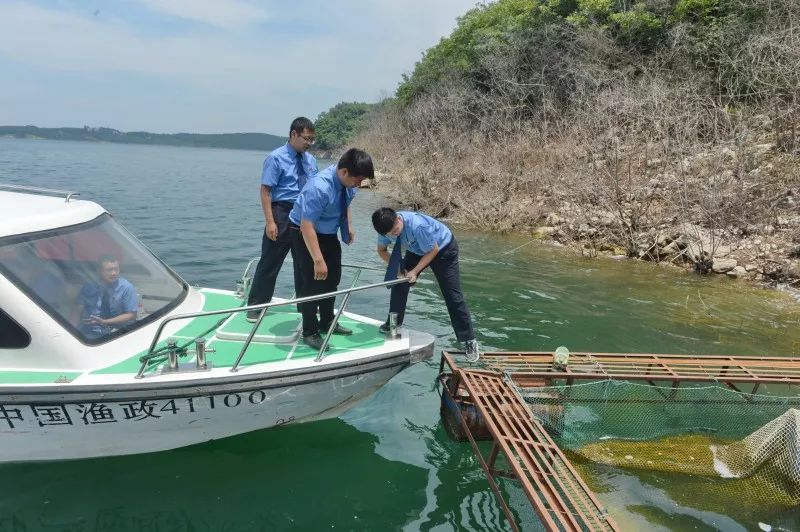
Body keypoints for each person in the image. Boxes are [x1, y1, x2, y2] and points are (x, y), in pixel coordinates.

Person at [289, 148, 374, 350]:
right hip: (304, 232)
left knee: (332, 277)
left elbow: (346, 205)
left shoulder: (349, 184)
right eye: (357, 179)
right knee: (312, 282)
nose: (359, 184)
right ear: (344, 172)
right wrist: (318, 260)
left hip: (328, 232)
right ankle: (310, 331)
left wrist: (348, 226)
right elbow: (306, 225)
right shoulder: (319, 187)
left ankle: (327, 321)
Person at [372, 207, 480, 361]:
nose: (393, 234)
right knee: (400, 283)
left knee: (452, 295)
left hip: (443, 249)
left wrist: (414, 272)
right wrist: (398, 269)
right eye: (389, 234)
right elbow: (382, 250)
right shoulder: (384, 229)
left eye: (395, 230)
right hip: (416, 250)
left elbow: (433, 250)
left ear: (399, 219)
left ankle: (468, 340)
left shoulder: (417, 225)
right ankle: (394, 324)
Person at [246, 117, 318, 322]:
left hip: (304, 215)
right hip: (282, 213)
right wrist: (270, 221)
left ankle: (305, 307)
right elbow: (266, 190)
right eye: (306, 138)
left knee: (304, 264)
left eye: (312, 139)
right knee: (270, 261)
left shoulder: (310, 160)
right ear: (293, 134)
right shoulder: (275, 158)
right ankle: (256, 306)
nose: (309, 143)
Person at [76, 255, 139, 339]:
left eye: (116, 269)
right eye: (109, 270)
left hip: (117, 330)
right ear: (99, 271)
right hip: (91, 329)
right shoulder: (89, 286)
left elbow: (131, 314)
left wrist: (105, 322)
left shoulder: (126, 287)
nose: (114, 273)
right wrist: (71, 329)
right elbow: (77, 310)